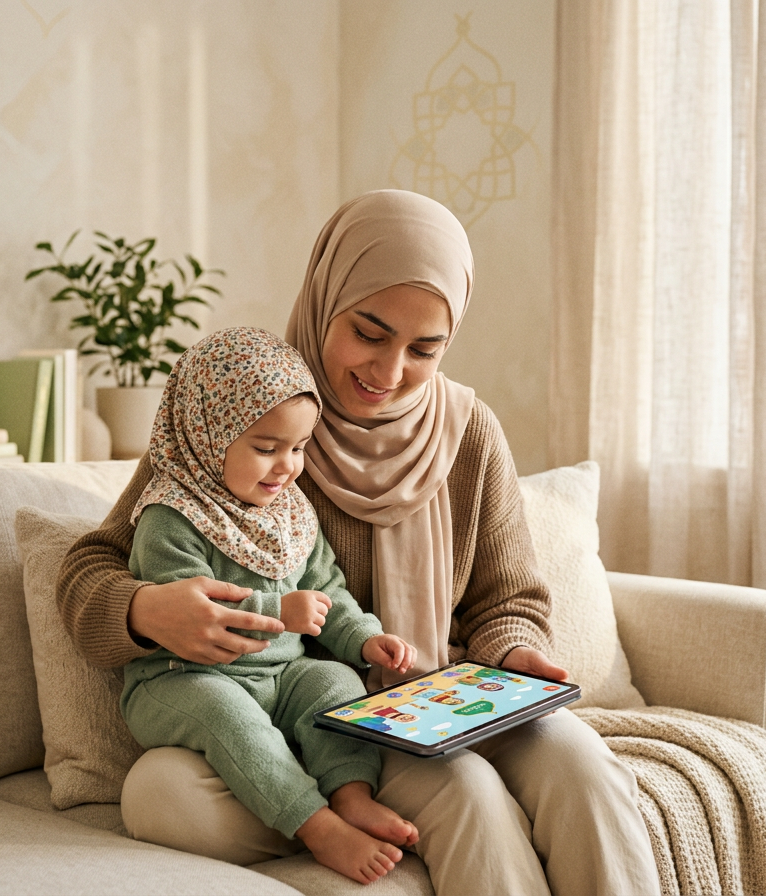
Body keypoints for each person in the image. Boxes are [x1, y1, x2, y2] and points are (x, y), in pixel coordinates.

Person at [57, 190, 660, 896]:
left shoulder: (468, 431)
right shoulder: (256, 414)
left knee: (585, 769)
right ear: (324, 300)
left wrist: (514, 653)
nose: (390, 371)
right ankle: (325, 807)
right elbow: (90, 565)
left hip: (448, 689)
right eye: (369, 333)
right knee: (460, 791)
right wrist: (145, 610)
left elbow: (509, 599)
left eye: (424, 349)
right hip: (330, 712)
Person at [121, 326, 419, 885]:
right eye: (265, 449)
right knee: (226, 714)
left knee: (335, 682)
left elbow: (327, 588)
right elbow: (196, 610)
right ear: (208, 435)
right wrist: (281, 612)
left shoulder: (292, 513)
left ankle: (351, 793)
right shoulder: (170, 516)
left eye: (299, 448)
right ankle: (315, 825)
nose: (287, 466)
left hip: (280, 675)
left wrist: (362, 638)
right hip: (182, 678)